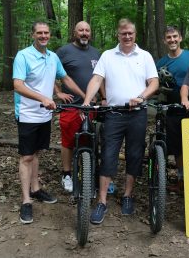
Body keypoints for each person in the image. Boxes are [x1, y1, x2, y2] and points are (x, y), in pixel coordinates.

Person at [82, 18, 159, 224]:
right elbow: (97, 79)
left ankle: (127, 196)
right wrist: (88, 101)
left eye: (130, 33)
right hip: (114, 114)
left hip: (138, 113)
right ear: (118, 35)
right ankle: (102, 201)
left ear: (135, 35)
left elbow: (154, 82)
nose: (127, 36)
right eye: (123, 33)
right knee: (108, 155)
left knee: (134, 154)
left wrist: (142, 97)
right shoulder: (107, 55)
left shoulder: (145, 56)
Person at [13, 21, 85, 224]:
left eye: (46, 33)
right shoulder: (23, 55)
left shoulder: (53, 57)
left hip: (45, 114)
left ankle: (35, 189)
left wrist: (85, 95)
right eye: (39, 33)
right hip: (27, 113)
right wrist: (43, 98)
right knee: (26, 156)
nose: (43, 36)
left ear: (50, 35)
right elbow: (18, 85)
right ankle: (26, 201)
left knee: (36, 153)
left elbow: (65, 78)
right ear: (33, 34)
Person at [54, 21, 102, 193]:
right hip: (71, 106)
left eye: (87, 30)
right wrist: (58, 92)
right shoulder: (63, 52)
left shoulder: (96, 53)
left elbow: (101, 77)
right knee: (68, 142)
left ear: (90, 33)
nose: (84, 33)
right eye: (81, 30)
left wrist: (103, 97)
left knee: (88, 140)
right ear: (74, 33)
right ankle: (67, 174)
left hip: (91, 108)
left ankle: (86, 173)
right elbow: (49, 72)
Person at [156, 26, 189, 193]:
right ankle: (181, 179)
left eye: (175, 36)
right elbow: (156, 84)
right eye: (169, 37)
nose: (172, 40)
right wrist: (161, 89)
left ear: (180, 38)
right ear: (164, 40)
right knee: (177, 146)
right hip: (173, 108)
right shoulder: (161, 63)